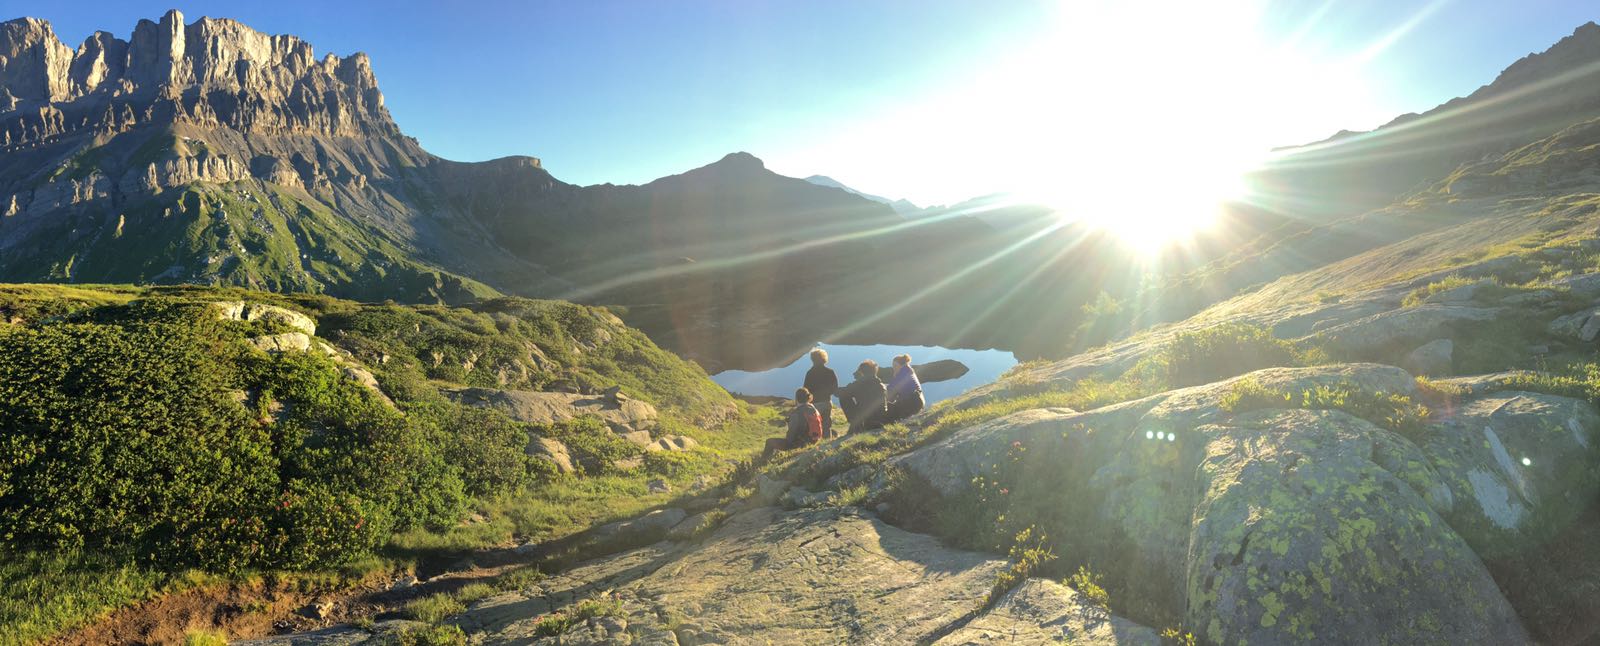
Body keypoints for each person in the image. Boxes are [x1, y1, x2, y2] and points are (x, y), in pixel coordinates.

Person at [764, 387, 823, 457]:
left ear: (797, 399)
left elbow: (791, 436)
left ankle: (763, 462)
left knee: (769, 442)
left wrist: (786, 441)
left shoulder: (797, 413)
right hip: (814, 440)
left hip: (800, 444)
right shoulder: (814, 409)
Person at [837, 359, 888, 433]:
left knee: (843, 397)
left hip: (866, 418)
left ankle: (855, 423)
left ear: (862, 372)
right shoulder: (881, 385)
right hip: (881, 417)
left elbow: (841, 392)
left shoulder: (860, 384)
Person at [802, 348, 839, 439]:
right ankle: (827, 444)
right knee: (826, 425)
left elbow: (806, 390)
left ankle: (815, 443)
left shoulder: (810, 373)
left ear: (812, 359)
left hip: (815, 404)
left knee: (814, 425)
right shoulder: (830, 372)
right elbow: (835, 388)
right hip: (827, 402)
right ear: (824, 358)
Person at [885, 354, 924, 423]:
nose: (893, 368)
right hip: (918, 402)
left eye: (895, 366)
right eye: (893, 366)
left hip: (911, 404)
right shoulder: (909, 371)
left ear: (901, 365)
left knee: (884, 407)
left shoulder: (901, 374)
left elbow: (889, 390)